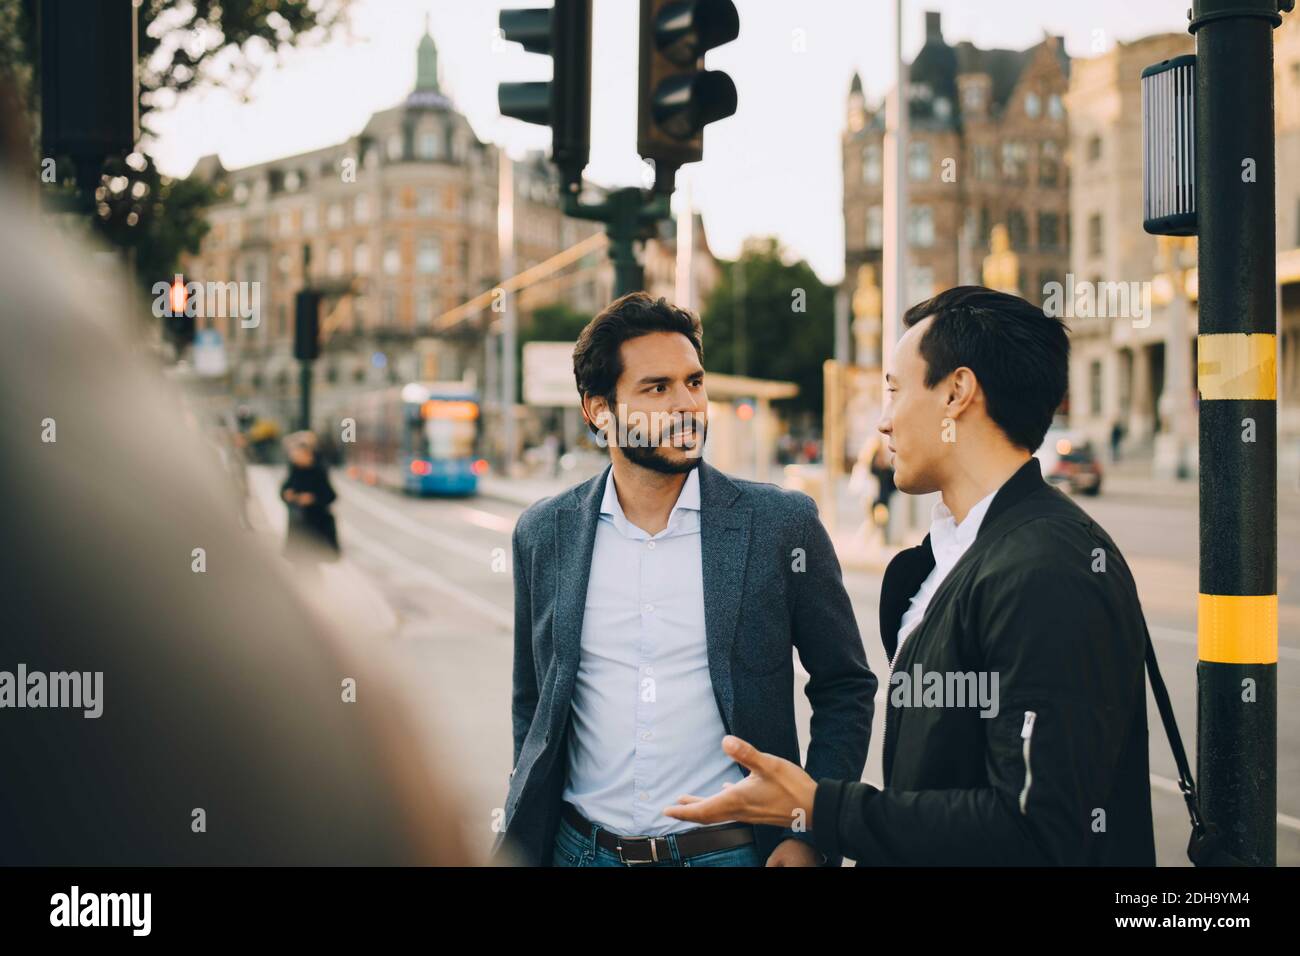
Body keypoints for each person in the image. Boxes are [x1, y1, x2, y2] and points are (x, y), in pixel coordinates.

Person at [664, 286, 1158, 866]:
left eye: (895, 391)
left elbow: (1035, 830)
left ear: (957, 393)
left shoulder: (1049, 569)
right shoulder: (958, 551)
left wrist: (823, 809)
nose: (883, 421)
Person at [492, 292, 876, 867]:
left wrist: (809, 831)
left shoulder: (780, 526)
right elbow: (534, 703)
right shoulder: (545, 534)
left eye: (694, 383)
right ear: (599, 410)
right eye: (657, 388)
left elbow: (845, 687)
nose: (687, 405)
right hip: (578, 851)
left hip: (730, 854)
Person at [281, 431, 340, 566]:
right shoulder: (294, 470)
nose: (294, 456)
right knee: (300, 567)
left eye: (297, 454)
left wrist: (313, 499)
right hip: (298, 527)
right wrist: (286, 494)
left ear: (308, 454)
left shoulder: (318, 472)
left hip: (314, 527)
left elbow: (331, 495)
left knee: (310, 566)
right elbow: (285, 488)